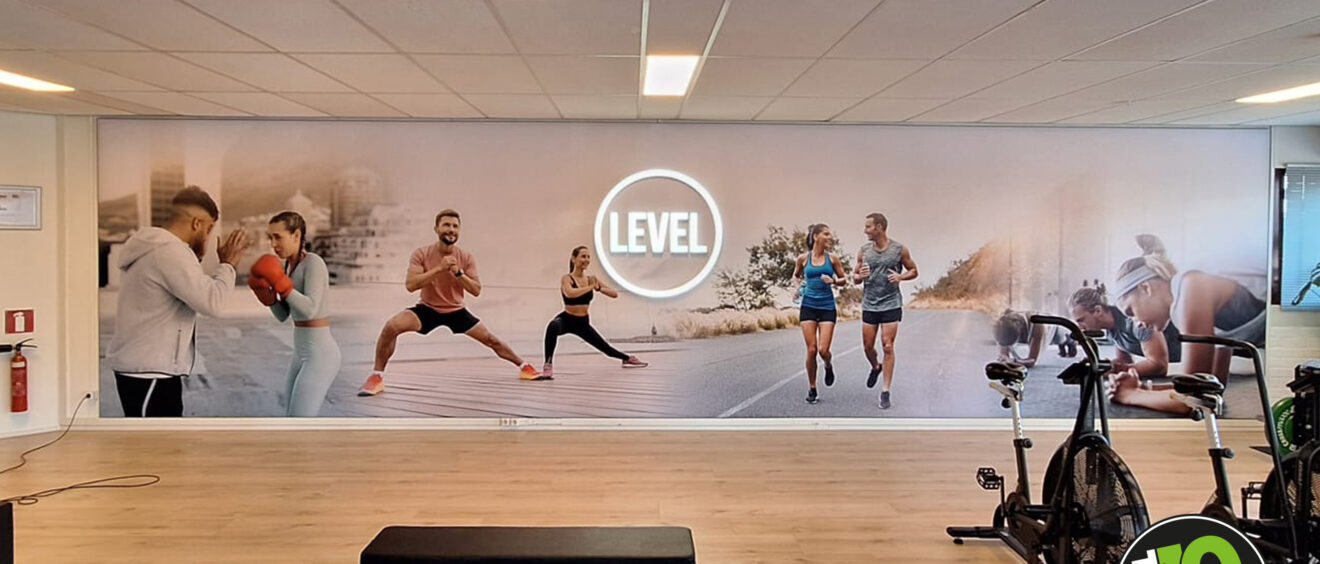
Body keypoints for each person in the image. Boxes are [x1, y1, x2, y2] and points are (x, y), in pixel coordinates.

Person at [358, 209, 542, 396]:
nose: (451, 229)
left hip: (456, 310)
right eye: (446, 225)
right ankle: (377, 376)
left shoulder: (466, 257)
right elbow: (411, 285)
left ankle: (524, 366)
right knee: (391, 327)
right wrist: (439, 268)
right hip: (427, 309)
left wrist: (458, 273)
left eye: (455, 226)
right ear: (436, 229)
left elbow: (476, 290)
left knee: (491, 339)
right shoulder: (421, 253)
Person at [106, 186, 248, 417]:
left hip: (146, 369)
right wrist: (228, 265)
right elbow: (213, 303)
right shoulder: (170, 252)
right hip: (151, 373)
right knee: (155, 440)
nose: (207, 237)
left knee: (156, 439)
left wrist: (197, 257)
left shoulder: (154, 248)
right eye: (208, 229)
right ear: (197, 223)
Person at [1107, 234, 1266, 414]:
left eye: (1131, 312)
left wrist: (1130, 395)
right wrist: (1143, 388)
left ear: (1145, 288)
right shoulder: (1184, 306)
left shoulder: (1192, 286)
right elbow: (1213, 384)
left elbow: (1195, 400)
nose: (1137, 325)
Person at [249, 211, 341, 417]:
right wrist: (268, 297)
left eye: (278, 237)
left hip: (321, 356)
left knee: (300, 422)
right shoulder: (287, 267)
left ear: (296, 235)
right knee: (292, 419)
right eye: (270, 238)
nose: (273, 244)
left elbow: (310, 310)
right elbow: (283, 315)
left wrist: (282, 284)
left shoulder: (314, 263)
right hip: (300, 354)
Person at [541, 246, 648, 379]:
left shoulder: (591, 279)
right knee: (553, 326)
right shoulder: (567, 278)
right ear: (574, 259)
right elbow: (570, 293)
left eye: (588, 257)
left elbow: (614, 294)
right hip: (567, 319)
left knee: (606, 349)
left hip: (582, 323)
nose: (586, 260)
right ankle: (548, 364)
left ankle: (627, 358)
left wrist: (598, 288)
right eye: (583, 256)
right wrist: (591, 286)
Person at [852, 212, 918, 409]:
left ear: (879, 227)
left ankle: (885, 391)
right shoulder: (864, 250)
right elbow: (855, 276)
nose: (865, 231)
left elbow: (914, 270)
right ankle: (875, 366)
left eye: (868, 227)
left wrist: (900, 277)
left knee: (887, 346)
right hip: (870, 304)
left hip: (891, 302)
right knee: (868, 347)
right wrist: (859, 277)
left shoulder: (899, 249)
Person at [1069, 281, 1180, 378]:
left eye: (1081, 320)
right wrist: (1098, 365)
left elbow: (1159, 366)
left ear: (1098, 311)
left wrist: (1114, 369)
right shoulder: (1111, 330)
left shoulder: (1135, 320)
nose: (1080, 327)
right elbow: (1124, 361)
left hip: (1188, 351)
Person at [794, 223, 848, 404]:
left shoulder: (832, 259)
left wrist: (833, 281)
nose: (829, 237)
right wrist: (798, 288)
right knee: (811, 349)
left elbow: (843, 279)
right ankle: (812, 388)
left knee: (823, 350)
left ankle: (828, 364)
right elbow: (795, 276)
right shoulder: (803, 258)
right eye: (826, 234)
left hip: (827, 307)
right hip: (808, 306)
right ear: (816, 236)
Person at [992, 310, 1076, 368]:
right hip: (1025, 328)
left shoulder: (1038, 327)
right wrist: (1004, 358)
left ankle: (1071, 341)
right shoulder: (1003, 324)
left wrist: (1015, 362)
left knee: (1060, 338)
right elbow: (1004, 353)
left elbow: (1032, 360)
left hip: (1053, 327)